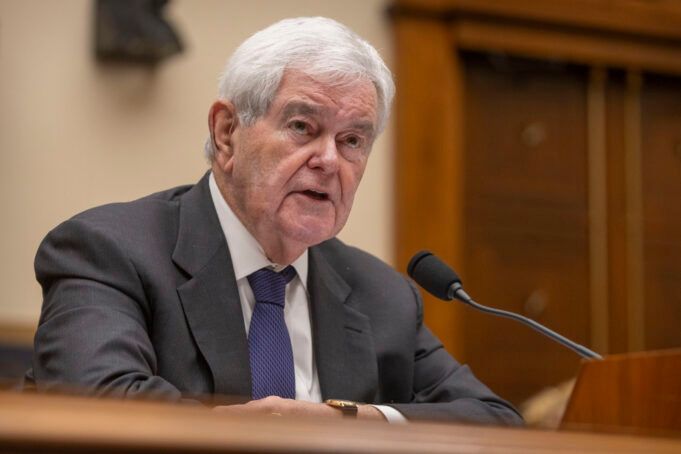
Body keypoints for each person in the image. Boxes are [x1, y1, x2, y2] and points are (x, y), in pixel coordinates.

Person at [26, 17, 522, 425]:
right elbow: (98, 406)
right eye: (302, 127)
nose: (329, 160)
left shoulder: (382, 295)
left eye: (352, 140)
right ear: (227, 133)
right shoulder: (110, 252)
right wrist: (265, 430)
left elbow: (495, 420)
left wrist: (351, 420)